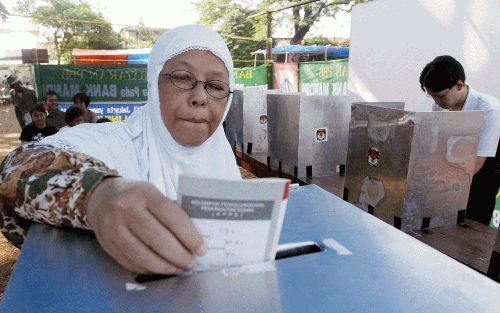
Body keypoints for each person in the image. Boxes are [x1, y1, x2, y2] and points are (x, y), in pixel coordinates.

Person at [0, 25, 241, 274]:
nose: (200, 96)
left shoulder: (223, 163)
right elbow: (16, 168)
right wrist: (98, 195)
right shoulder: (111, 145)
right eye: (182, 77)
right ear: (153, 83)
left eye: (216, 86)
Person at [419, 55, 500, 224]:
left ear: (459, 85)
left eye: (440, 96)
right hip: (454, 165)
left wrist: (446, 184)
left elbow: (479, 159)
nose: (436, 102)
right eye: (432, 97)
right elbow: (436, 143)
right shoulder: (440, 105)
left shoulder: (489, 109)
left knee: (473, 221)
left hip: (484, 167)